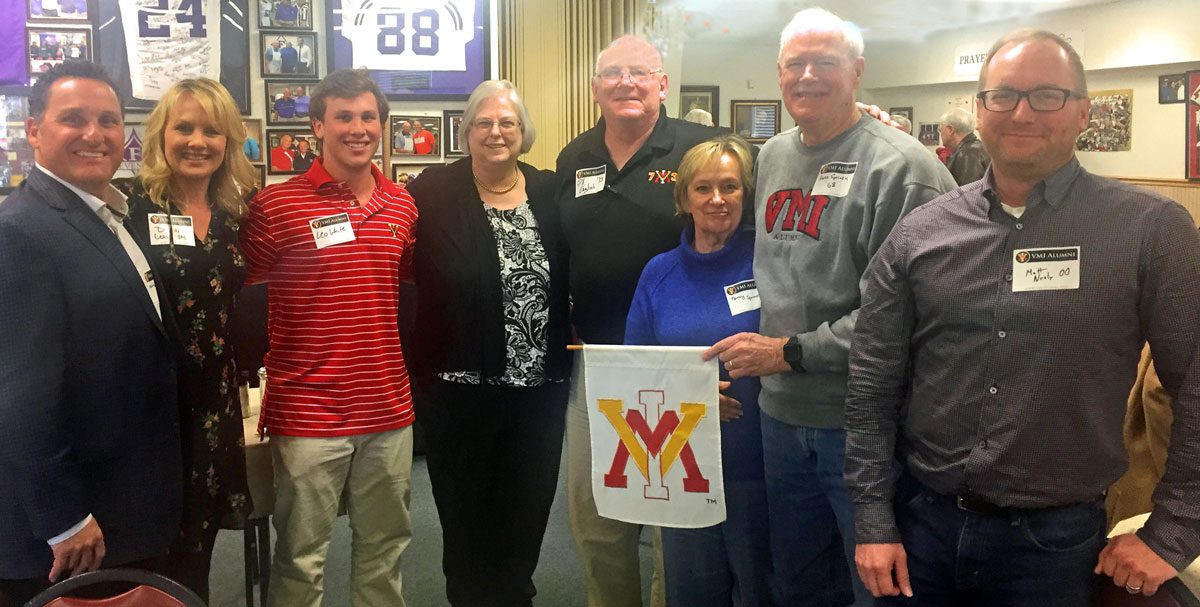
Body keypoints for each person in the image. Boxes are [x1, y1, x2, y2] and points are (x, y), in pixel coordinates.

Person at [845, 29, 1200, 605]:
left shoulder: (1151, 231)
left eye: (1047, 95)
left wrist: (1174, 531)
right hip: (920, 532)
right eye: (1003, 95)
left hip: (1056, 547)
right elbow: (872, 384)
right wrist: (872, 520)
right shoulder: (920, 233)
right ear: (980, 110)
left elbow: (1194, 382)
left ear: (1085, 111)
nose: (1022, 112)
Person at [703, 9, 956, 607]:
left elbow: (902, 313)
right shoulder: (772, 157)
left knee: (879, 588)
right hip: (781, 418)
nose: (808, 75)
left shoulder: (904, 169)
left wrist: (788, 352)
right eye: (796, 63)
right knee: (799, 581)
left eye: (827, 62)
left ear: (858, 72)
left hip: (865, 426)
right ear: (779, 72)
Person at [0, 60, 181, 607]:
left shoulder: (104, 216)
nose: (94, 134)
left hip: (125, 503)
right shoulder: (21, 233)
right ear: (33, 130)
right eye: (72, 118)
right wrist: (64, 519)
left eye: (107, 120)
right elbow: (18, 401)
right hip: (76, 533)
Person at [241, 68, 418, 607]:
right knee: (300, 558)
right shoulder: (276, 207)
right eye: (343, 116)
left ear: (384, 126)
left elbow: (400, 296)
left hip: (388, 409)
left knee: (386, 549)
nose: (357, 128)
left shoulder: (403, 206)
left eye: (368, 117)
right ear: (318, 124)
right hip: (308, 411)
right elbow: (246, 307)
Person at [556, 34, 715, 607]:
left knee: (673, 515)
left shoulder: (701, 148)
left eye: (640, 73)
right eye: (612, 74)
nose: (626, 82)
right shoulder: (574, 157)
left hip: (681, 365)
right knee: (597, 514)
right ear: (596, 87)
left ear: (663, 85)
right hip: (596, 363)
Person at [405, 79, 572, 607]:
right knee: (466, 525)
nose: (496, 132)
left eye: (507, 123)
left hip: (538, 394)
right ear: (466, 131)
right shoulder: (431, 191)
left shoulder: (548, 191)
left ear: (524, 133)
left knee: (526, 518)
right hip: (459, 396)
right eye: (484, 122)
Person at [116, 77, 258, 602]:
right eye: (185, 127)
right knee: (148, 558)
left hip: (214, 406)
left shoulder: (233, 214)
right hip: (152, 409)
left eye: (212, 131)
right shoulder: (125, 208)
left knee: (197, 552)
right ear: (161, 134)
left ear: (229, 142)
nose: (198, 141)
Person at [625, 135, 772, 607]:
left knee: (762, 591)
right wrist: (690, 398)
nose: (716, 199)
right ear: (684, 197)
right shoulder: (658, 273)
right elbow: (635, 368)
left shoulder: (772, 262)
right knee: (692, 594)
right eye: (703, 187)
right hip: (682, 470)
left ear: (746, 195)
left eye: (730, 187)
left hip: (760, 465)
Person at [938, 107, 990, 185]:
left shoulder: (967, 154)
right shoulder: (977, 148)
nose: (940, 133)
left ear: (950, 130)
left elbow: (969, 194)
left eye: (940, 129)